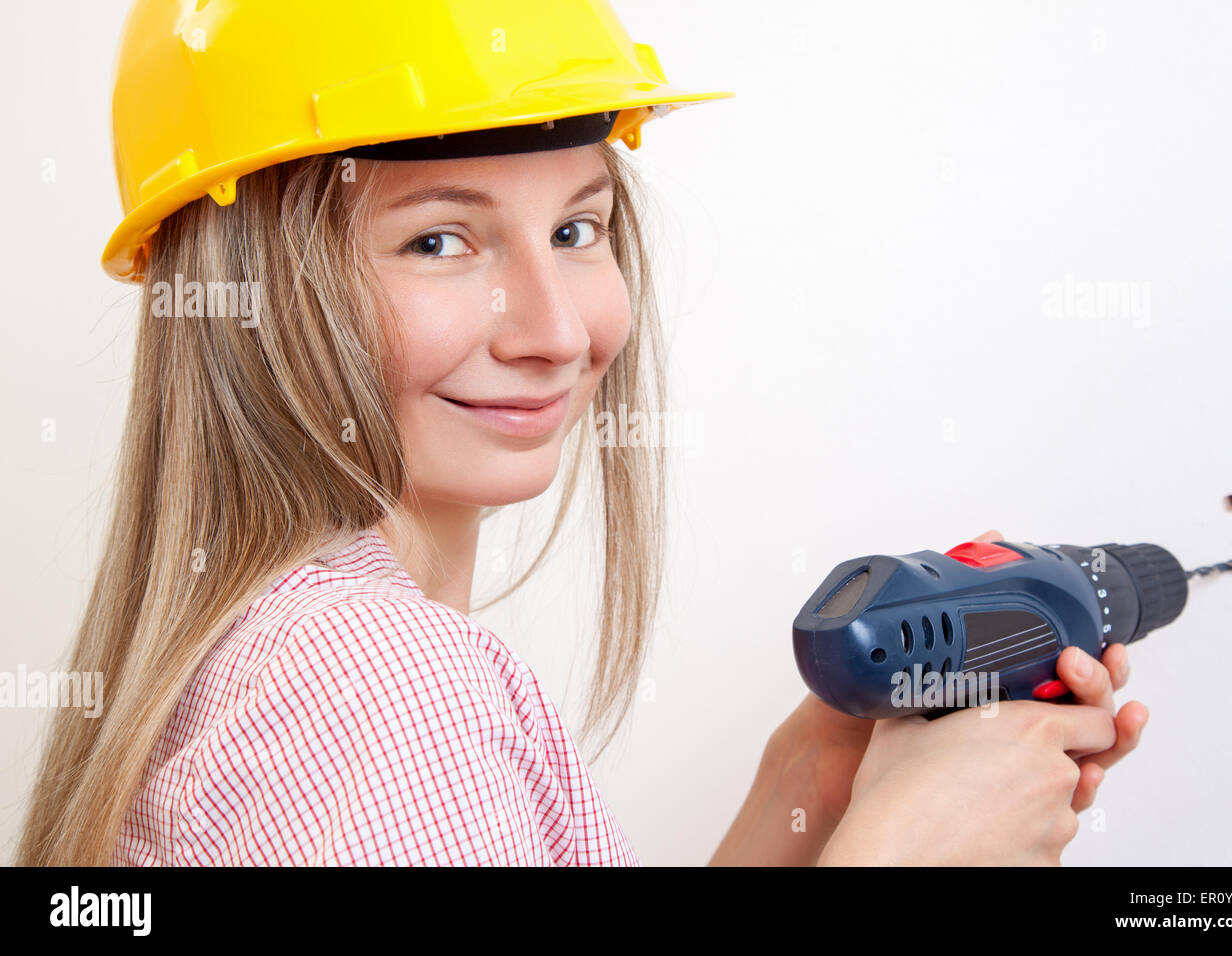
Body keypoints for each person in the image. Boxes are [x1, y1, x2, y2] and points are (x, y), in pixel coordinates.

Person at [18, 0, 1147, 866]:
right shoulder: (377, 686)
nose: (557, 331)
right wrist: (904, 851)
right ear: (251, 291)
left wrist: (808, 789)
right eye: (438, 242)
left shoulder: (279, 651)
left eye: (575, 226)